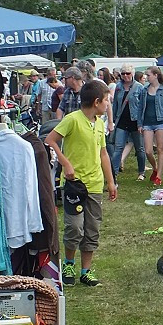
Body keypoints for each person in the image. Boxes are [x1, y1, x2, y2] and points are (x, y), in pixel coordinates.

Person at [44, 79, 117, 288]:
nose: (107, 105)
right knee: (75, 227)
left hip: (95, 184)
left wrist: (111, 182)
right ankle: (68, 263)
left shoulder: (100, 123)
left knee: (92, 228)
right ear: (96, 102)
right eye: (106, 101)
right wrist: (65, 163)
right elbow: (50, 140)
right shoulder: (72, 119)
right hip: (75, 184)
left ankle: (86, 270)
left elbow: (103, 153)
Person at [110, 64, 147, 179]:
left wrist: (142, 123)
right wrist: (113, 120)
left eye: (128, 73)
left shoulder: (139, 87)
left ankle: (141, 172)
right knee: (118, 148)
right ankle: (114, 173)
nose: (125, 76)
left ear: (133, 74)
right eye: (123, 73)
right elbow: (115, 104)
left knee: (140, 148)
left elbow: (142, 106)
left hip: (135, 121)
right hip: (121, 121)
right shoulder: (118, 87)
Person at [140, 66, 163, 185]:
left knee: (160, 149)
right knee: (148, 150)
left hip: (161, 122)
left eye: (148, 75)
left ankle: (159, 176)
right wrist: (139, 123)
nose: (146, 77)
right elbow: (140, 108)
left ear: (155, 75)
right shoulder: (144, 90)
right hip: (147, 122)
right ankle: (155, 167)